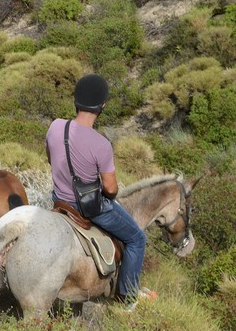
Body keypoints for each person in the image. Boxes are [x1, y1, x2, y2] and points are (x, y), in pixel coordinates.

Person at [45, 73, 155, 309]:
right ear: (102, 106)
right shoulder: (101, 144)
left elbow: (50, 159)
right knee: (137, 238)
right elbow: (111, 189)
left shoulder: (55, 126)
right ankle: (128, 297)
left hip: (59, 201)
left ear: (76, 100)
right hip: (88, 208)